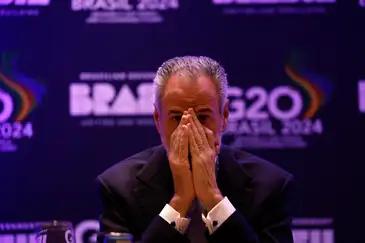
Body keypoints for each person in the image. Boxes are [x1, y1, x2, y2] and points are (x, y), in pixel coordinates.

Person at [97, 56, 294, 243]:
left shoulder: (270, 186)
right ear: (158, 119)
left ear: (224, 115)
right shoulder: (119, 186)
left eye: (202, 117)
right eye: (175, 117)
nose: (189, 129)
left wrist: (213, 198)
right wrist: (179, 202)